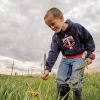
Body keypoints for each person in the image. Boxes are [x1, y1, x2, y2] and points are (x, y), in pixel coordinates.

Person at [41, 7, 95, 100]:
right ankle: (62, 98)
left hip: (79, 57)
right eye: (49, 26)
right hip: (66, 59)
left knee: (76, 80)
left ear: (61, 18)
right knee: (60, 79)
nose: (52, 27)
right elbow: (53, 52)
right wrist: (47, 68)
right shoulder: (56, 37)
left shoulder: (76, 27)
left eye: (53, 23)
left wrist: (89, 55)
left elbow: (88, 40)